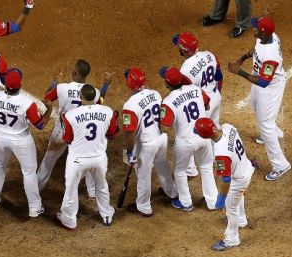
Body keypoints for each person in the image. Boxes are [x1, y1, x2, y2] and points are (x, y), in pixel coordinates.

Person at [0, 69, 53, 217]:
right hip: (21, 141)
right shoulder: (27, 103)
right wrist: (49, 109)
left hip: (1, 139)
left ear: (5, 84)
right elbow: (40, 125)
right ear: (19, 85)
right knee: (29, 172)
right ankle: (35, 208)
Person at [227, 16, 291, 181]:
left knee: (265, 125)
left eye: (255, 27)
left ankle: (280, 165)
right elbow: (255, 50)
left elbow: (264, 81)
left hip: (270, 87)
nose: (252, 28)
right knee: (254, 105)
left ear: (263, 33)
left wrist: (239, 72)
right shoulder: (266, 39)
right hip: (259, 80)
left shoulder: (271, 56)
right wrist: (241, 60)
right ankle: (273, 131)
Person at [37, 59, 113, 197]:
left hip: (62, 132)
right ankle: (92, 192)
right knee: (89, 158)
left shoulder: (62, 88)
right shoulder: (93, 91)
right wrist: (105, 85)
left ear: (73, 73)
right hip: (82, 133)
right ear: (86, 75)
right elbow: (100, 101)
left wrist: (55, 83)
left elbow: (46, 98)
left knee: (49, 160)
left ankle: (37, 187)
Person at [56, 84, 119, 229]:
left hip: (78, 160)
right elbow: (111, 135)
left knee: (71, 189)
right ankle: (106, 214)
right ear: (95, 97)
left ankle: (69, 220)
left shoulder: (70, 115)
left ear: (80, 97)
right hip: (99, 159)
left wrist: (62, 121)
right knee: (102, 186)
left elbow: (67, 140)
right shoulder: (107, 111)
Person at [159, 67, 219, 211]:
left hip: (185, 141)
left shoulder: (168, 101)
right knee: (206, 167)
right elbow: (207, 104)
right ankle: (213, 202)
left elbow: (165, 125)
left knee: (180, 171)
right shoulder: (195, 89)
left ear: (167, 84)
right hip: (203, 135)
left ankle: (186, 203)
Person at [193, 118, 258, 251]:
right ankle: (241, 220)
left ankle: (231, 240)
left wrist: (222, 198)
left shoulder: (220, 155)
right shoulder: (228, 127)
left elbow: (225, 180)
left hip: (239, 179)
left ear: (204, 136)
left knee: (230, 208)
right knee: (238, 197)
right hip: (246, 166)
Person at [119, 67, 177, 216]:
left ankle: (143, 207)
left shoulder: (129, 106)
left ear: (129, 84)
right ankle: (171, 192)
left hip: (146, 145)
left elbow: (130, 133)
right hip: (161, 138)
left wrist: (131, 152)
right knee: (162, 165)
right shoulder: (155, 94)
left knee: (143, 175)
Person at [171, 31, 224, 176]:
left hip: (203, 104)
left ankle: (190, 169)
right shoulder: (209, 55)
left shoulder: (185, 70)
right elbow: (219, 76)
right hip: (215, 96)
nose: (178, 48)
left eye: (179, 46)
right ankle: (221, 162)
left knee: (191, 136)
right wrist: (217, 93)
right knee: (214, 129)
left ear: (185, 50)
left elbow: (186, 93)